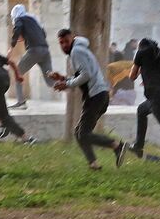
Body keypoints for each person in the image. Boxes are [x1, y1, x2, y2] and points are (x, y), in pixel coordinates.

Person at [52, 29, 128, 170]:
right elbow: (84, 75)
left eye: (66, 41)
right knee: (79, 132)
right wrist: (63, 79)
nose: (64, 45)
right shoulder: (79, 50)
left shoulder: (76, 52)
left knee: (83, 133)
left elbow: (86, 75)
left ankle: (117, 145)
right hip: (99, 95)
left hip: (96, 96)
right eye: (61, 43)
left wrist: (66, 84)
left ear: (73, 38)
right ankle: (94, 164)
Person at [8, 4, 56, 110]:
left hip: (34, 50)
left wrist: (11, 48)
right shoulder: (33, 19)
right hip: (45, 51)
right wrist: (27, 37)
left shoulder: (19, 18)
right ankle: (72, 87)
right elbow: (43, 34)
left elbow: (17, 30)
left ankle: (21, 103)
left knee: (18, 72)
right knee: (50, 81)